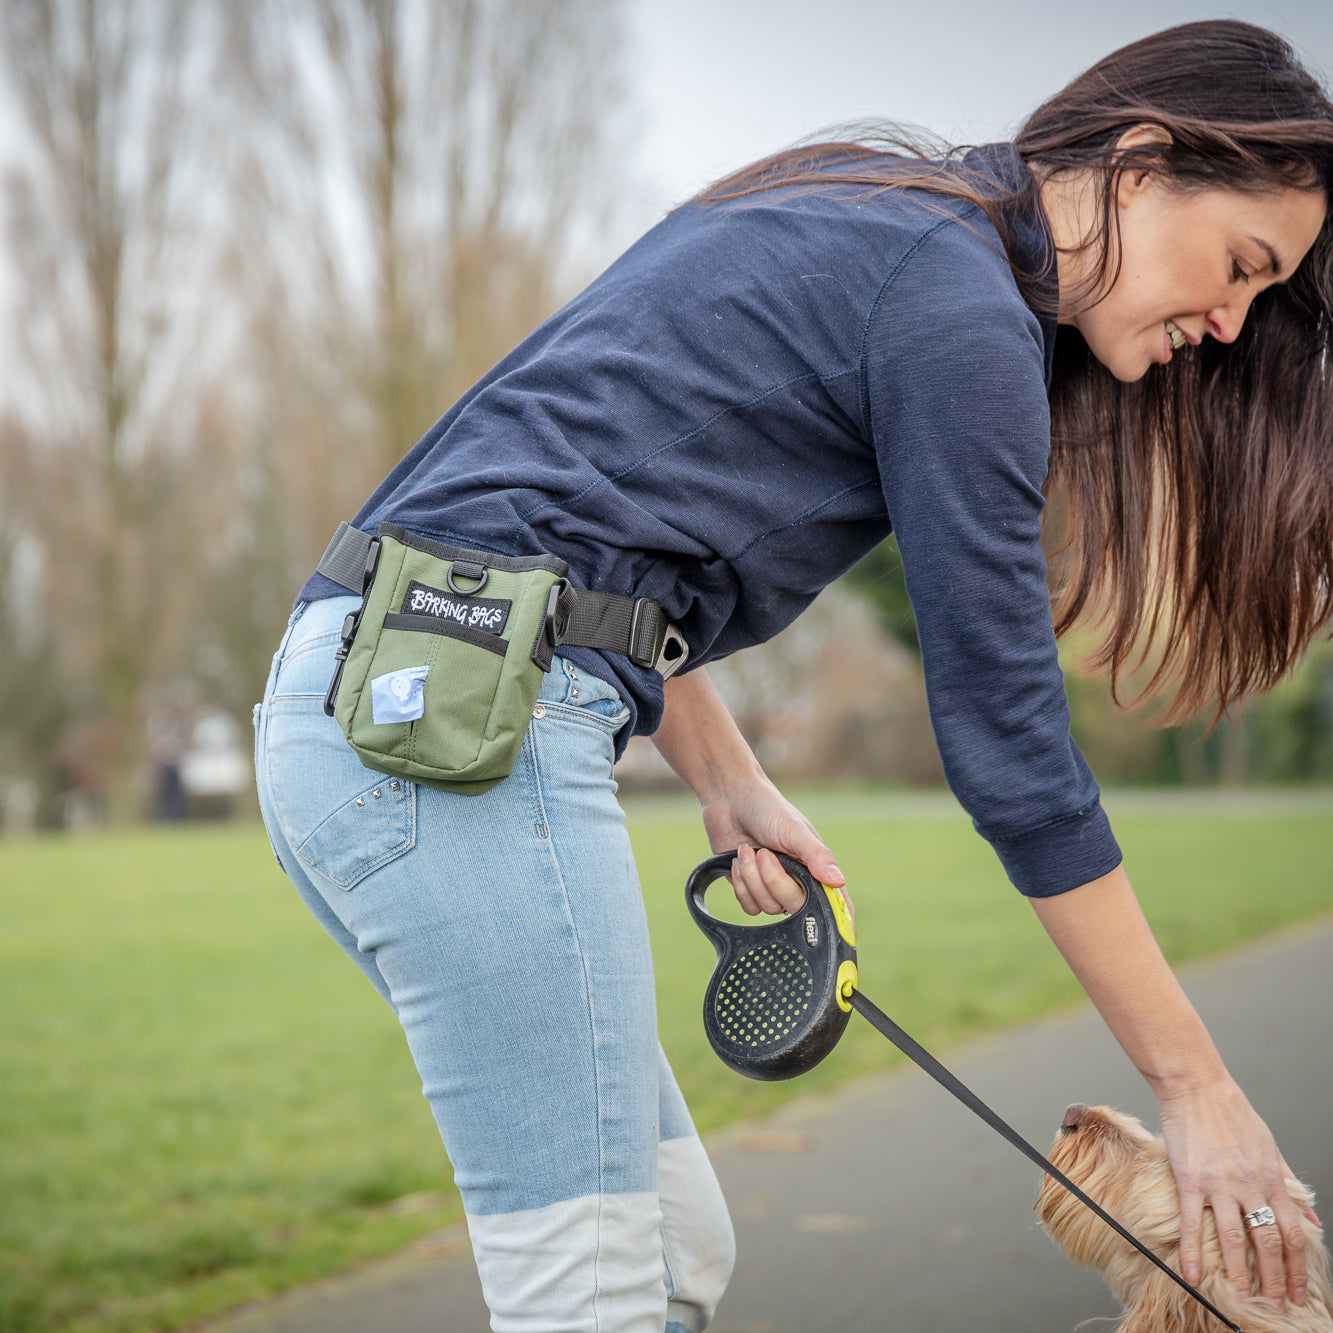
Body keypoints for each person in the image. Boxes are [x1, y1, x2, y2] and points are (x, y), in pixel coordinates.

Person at [253, 20, 1333, 1331]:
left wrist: (728, 774)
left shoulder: (884, 207)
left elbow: (581, 504)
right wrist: (1195, 1088)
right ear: (1141, 160)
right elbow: (1007, 745)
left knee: (665, 1258)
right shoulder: (955, 306)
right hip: (455, 733)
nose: (1229, 322)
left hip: (398, 692)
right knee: (590, 1295)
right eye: (1241, 265)